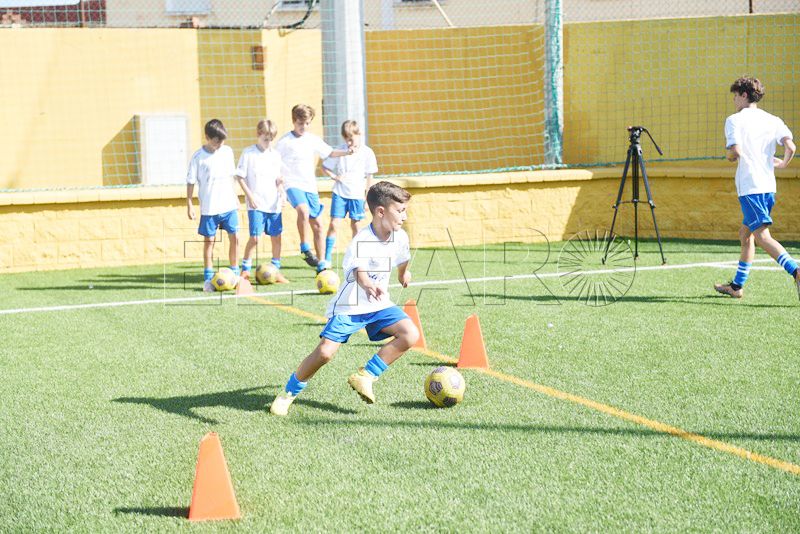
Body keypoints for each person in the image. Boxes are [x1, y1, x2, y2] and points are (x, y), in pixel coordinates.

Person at [270, 181, 418, 416]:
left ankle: (366, 376)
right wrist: (368, 284)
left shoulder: (400, 237)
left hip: (379, 305)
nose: (404, 216)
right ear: (381, 211)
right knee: (325, 353)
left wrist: (403, 274)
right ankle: (288, 393)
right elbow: (358, 269)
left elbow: (403, 258)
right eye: (400, 210)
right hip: (351, 307)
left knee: (410, 334)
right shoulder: (362, 240)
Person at [715, 76, 797, 299]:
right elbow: (791, 146)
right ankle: (736, 286)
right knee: (746, 234)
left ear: (744, 95)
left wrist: (730, 156)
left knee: (762, 236)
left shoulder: (734, 120)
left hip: (750, 187)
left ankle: (796, 272)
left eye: (735, 95)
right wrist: (783, 163)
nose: (734, 100)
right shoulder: (773, 120)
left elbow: (735, 152)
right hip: (768, 186)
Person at [275, 104, 352, 270]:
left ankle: (322, 264)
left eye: (307, 123)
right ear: (294, 121)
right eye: (300, 123)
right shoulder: (285, 141)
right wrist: (278, 184)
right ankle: (304, 247)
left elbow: (330, 152)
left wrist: (346, 152)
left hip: (309, 186)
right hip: (292, 184)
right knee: (303, 210)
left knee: (318, 225)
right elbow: (273, 161)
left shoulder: (312, 139)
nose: (304, 127)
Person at [186, 119, 240, 292]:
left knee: (235, 238)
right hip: (210, 208)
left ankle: (235, 272)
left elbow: (232, 176)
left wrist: (236, 195)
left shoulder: (227, 152)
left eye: (222, 141)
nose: (220, 144)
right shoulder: (198, 157)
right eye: (217, 141)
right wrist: (189, 204)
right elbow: (190, 181)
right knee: (209, 242)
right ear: (207, 138)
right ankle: (208, 279)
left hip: (229, 205)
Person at [235, 119, 289, 283]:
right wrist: (250, 197)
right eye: (266, 139)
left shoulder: (275, 155)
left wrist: (282, 191)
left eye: (271, 139)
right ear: (258, 135)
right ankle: (245, 270)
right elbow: (240, 177)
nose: (268, 142)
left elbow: (278, 178)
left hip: (274, 204)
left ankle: (276, 270)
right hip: (256, 204)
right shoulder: (249, 153)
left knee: (276, 236)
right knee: (255, 238)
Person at [319, 120, 377, 272]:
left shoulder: (367, 153)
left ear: (359, 134)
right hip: (340, 193)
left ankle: (356, 258)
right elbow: (324, 167)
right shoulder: (340, 151)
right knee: (334, 224)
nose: (350, 142)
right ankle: (326, 259)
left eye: (352, 138)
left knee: (356, 225)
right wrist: (334, 177)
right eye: (347, 139)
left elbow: (370, 178)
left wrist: (367, 199)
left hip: (357, 195)